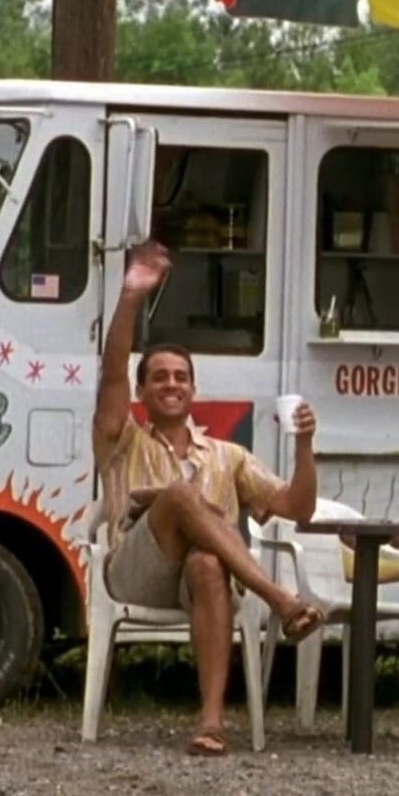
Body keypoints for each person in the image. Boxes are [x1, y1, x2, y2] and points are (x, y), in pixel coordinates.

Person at [93, 239, 326, 757]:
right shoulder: (121, 437)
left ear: (193, 390)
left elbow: (298, 508)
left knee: (205, 563)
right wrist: (131, 296)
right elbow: (110, 373)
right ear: (143, 393)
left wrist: (306, 446)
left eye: (181, 377)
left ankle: (211, 723)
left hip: (199, 586)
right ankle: (280, 599)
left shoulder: (228, 454)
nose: (171, 385)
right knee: (177, 495)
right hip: (135, 571)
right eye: (159, 378)